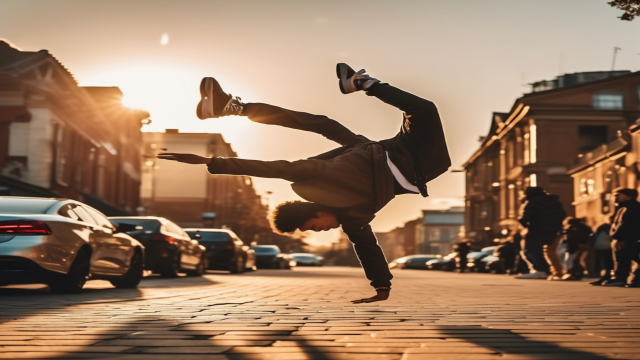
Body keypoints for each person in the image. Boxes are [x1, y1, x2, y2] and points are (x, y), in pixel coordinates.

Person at [159, 63, 451, 303]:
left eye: (313, 226)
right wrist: (382, 288)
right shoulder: (354, 220)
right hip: (411, 164)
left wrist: (214, 162)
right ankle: (362, 83)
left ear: (313, 211)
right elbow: (368, 249)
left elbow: (275, 168)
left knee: (326, 123)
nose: (321, 230)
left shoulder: (316, 177)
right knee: (421, 111)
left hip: (386, 151)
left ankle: (236, 107)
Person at [516, 186, 566, 280]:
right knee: (547, 251)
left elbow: (526, 218)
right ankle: (551, 271)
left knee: (529, 251)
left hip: (536, 230)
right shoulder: (556, 203)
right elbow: (563, 215)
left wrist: (522, 221)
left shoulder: (532, 203)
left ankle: (541, 270)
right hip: (553, 231)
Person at [604, 188, 640, 287]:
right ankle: (622, 278)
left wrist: (626, 239)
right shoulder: (623, 208)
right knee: (621, 258)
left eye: (618, 195)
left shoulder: (633, 208)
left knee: (625, 257)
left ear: (628, 197)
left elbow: (632, 226)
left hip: (630, 239)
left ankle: (622, 278)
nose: (615, 198)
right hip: (623, 239)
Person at [589, 221, 614, 286]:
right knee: (606, 261)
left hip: (599, 246)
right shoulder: (607, 228)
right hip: (605, 246)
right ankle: (606, 274)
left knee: (604, 261)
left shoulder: (601, 228)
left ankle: (606, 274)